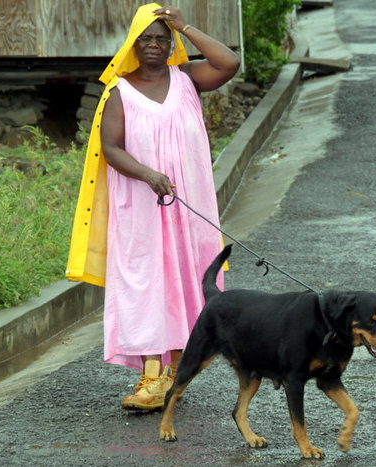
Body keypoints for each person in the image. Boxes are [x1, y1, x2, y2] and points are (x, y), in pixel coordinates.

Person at [65, 3, 240, 411]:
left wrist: (187, 27)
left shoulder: (188, 80)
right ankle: (150, 375)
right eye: (147, 39)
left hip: (187, 206)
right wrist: (148, 174)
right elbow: (110, 148)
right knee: (144, 282)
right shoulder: (119, 92)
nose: (156, 45)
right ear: (134, 43)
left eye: (164, 38)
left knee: (186, 278)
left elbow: (228, 63)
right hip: (140, 207)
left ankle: (176, 374)